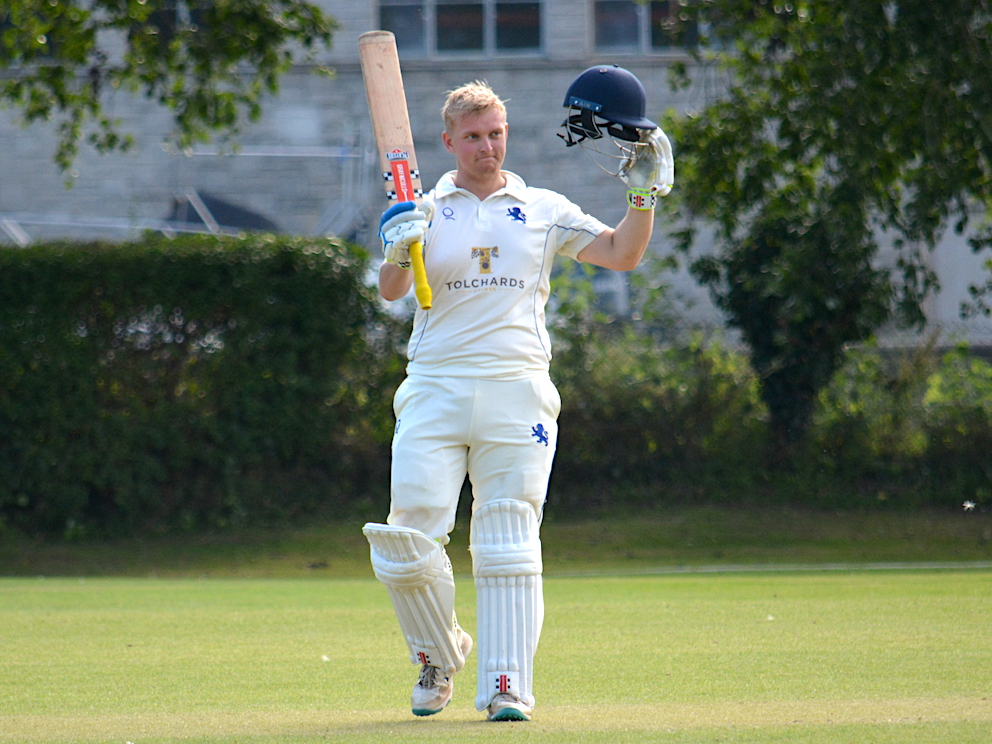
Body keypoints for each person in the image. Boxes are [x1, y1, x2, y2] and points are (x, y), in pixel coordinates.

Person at [363, 72, 673, 722]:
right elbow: (393, 289)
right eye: (473, 137)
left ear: (507, 135)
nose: (486, 147)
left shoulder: (544, 210)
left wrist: (643, 193)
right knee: (405, 538)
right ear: (449, 141)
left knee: (507, 535)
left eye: (495, 134)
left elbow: (622, 254)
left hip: (517, 387)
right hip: (435, 384)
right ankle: (437, 654)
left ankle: (506, 684)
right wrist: (398, 245)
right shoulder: (421, 210)